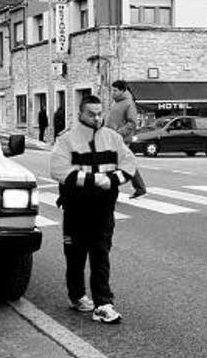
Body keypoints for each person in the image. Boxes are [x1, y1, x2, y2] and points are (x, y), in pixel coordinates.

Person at [50, 95, 137, 324]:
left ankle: (103, 303)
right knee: (75, 256)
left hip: (103, 208)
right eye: (92, 113)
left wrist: (113, 179)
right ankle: (77, 295)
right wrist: (95, 180)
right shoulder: (67, 139)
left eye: (100, 113)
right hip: (76, 208)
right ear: (80, 113)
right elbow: (58, 170)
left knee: (101, 254)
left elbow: (129, 164)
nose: (97, 118)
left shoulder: (113, 138)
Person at [105, 80, 147, 198]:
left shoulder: (129, 103)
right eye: (112, 90)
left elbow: (132, 123)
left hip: (121, 139)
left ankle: (112, 192)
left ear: (123, 91)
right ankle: (139, 188)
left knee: (113, 164)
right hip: (110, 138)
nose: (112, 93)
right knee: (123, 163)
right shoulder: (115, 103)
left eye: (115, 90)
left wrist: (118, 134)